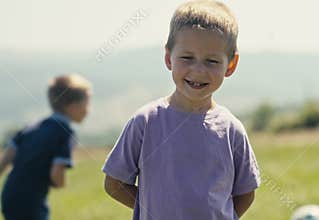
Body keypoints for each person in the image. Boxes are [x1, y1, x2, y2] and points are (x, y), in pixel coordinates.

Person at [102, 1, 261, 219]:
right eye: (187, 58)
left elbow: (245, 192)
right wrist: (154, 208)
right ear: (169, 58)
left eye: (212, 61)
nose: (198, 70)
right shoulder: (145, 122)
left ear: (231, 65)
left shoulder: (232, 130)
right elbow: (114, 183)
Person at [0, 74, 91, 220]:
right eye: (87, 104)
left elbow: (5, 160)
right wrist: (60, 184)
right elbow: (56, 174)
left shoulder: (31, 128)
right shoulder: (66, 132)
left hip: (9, 195)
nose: (88, 111)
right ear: (73, 107)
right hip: (32, 201)